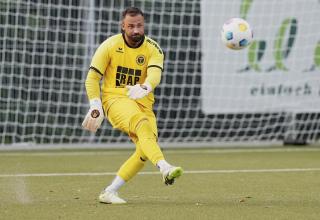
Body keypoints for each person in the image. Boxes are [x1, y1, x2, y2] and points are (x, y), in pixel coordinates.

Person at [82, 7, 183, 204]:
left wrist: (146, 85)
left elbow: (155, 73)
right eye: (131, 26)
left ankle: (109, 191)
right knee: (141, 123)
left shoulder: (153, 48)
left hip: (143, 104)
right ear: (123, 26)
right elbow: (92, 78)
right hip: (115, 100)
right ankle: (164, 167)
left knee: (145, 150)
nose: (136, 30)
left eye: (139, 26)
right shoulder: (110, 45)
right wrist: (96, 105)